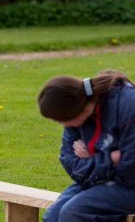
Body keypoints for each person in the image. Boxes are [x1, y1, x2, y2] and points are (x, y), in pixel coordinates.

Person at [37, 69, 135, 222]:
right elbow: (71, 163)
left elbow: (130, 168)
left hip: (128, 184)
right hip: (104, 180)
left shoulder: (128, 105)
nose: (61, 124)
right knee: (53, 216)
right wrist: (110, 159)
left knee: (74, 213)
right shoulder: (76, 116)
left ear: (72, 111)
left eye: (59, 119)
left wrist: (93, 159)